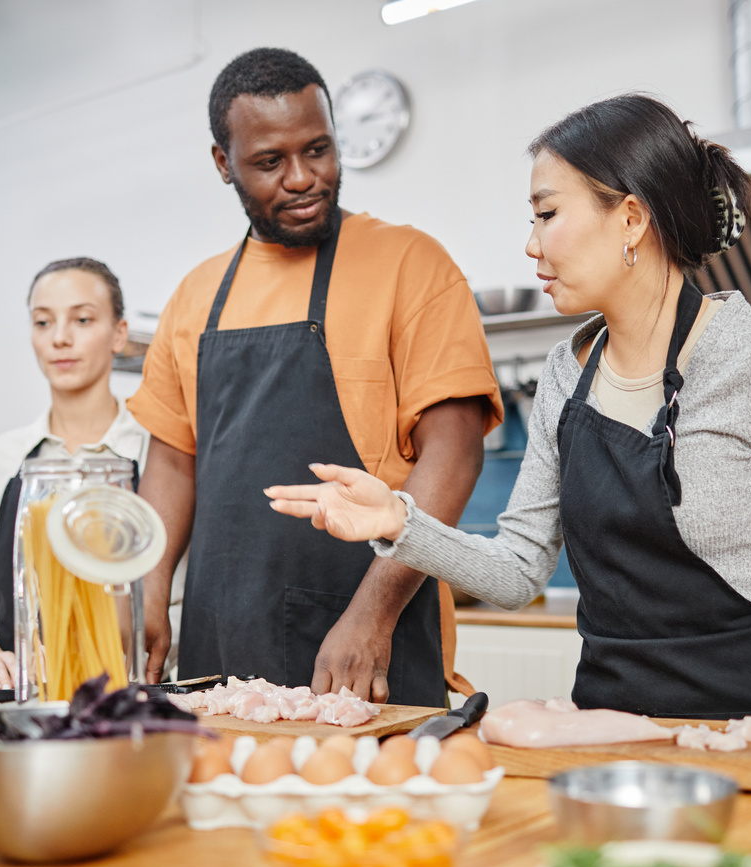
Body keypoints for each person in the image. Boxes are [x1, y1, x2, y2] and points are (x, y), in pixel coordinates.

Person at [266, 93, 751, 763]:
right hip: (604, 741)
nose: (531, 245)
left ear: (629, 218)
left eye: (546, 215)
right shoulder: (565, 374)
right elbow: (516, 572)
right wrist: (398, 520)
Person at [128, 48, 502, 707]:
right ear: (224, 164)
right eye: (270, 162)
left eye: (319, 150)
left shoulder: (410, 263)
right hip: (219, 643)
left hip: (369, 644)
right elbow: (172, 460)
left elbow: (455, 451)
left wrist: (371, 616)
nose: (303, 178)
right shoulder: (196, 295)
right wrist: (150, 589)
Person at [0, 257, 150, 689]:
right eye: (42, 323)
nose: (60, 339)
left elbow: (178, 606)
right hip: (21, 697)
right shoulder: (3, 458)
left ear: (119, 334)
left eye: (83, 319)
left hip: (129, 699)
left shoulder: (156, 454)